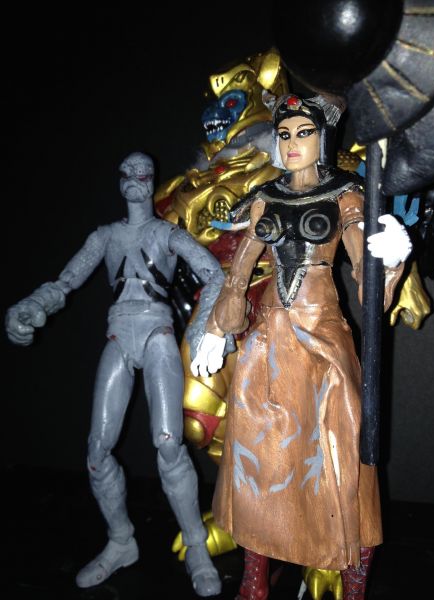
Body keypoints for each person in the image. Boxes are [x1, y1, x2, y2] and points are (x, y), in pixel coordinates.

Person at [191, 95, 411, 600]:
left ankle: (352, 583)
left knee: (345, 456)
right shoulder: (265, 198)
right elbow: (239, 274)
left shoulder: (346, 197)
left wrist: (390, 259)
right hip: (267, 342)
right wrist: (217, 329)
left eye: (303, 133)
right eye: (285, 134)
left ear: (322, 138)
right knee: (258, 456)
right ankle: (254, 581)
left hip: (323, 336)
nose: (292, 143)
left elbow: (368, 284)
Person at [5, 152, 222, 596]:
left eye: (144, 174)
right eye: (129, 174)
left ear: (151, 180)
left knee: (168, 441)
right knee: (97, 449)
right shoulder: (104, 237)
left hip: (159, 332)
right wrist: (32, 306)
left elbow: (215, 274)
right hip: (119, 333)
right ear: (121, 181)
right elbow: (65, 282)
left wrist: (205, 327)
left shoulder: (167, 233)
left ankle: (196, 545)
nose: (136, 180)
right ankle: (121, 540)